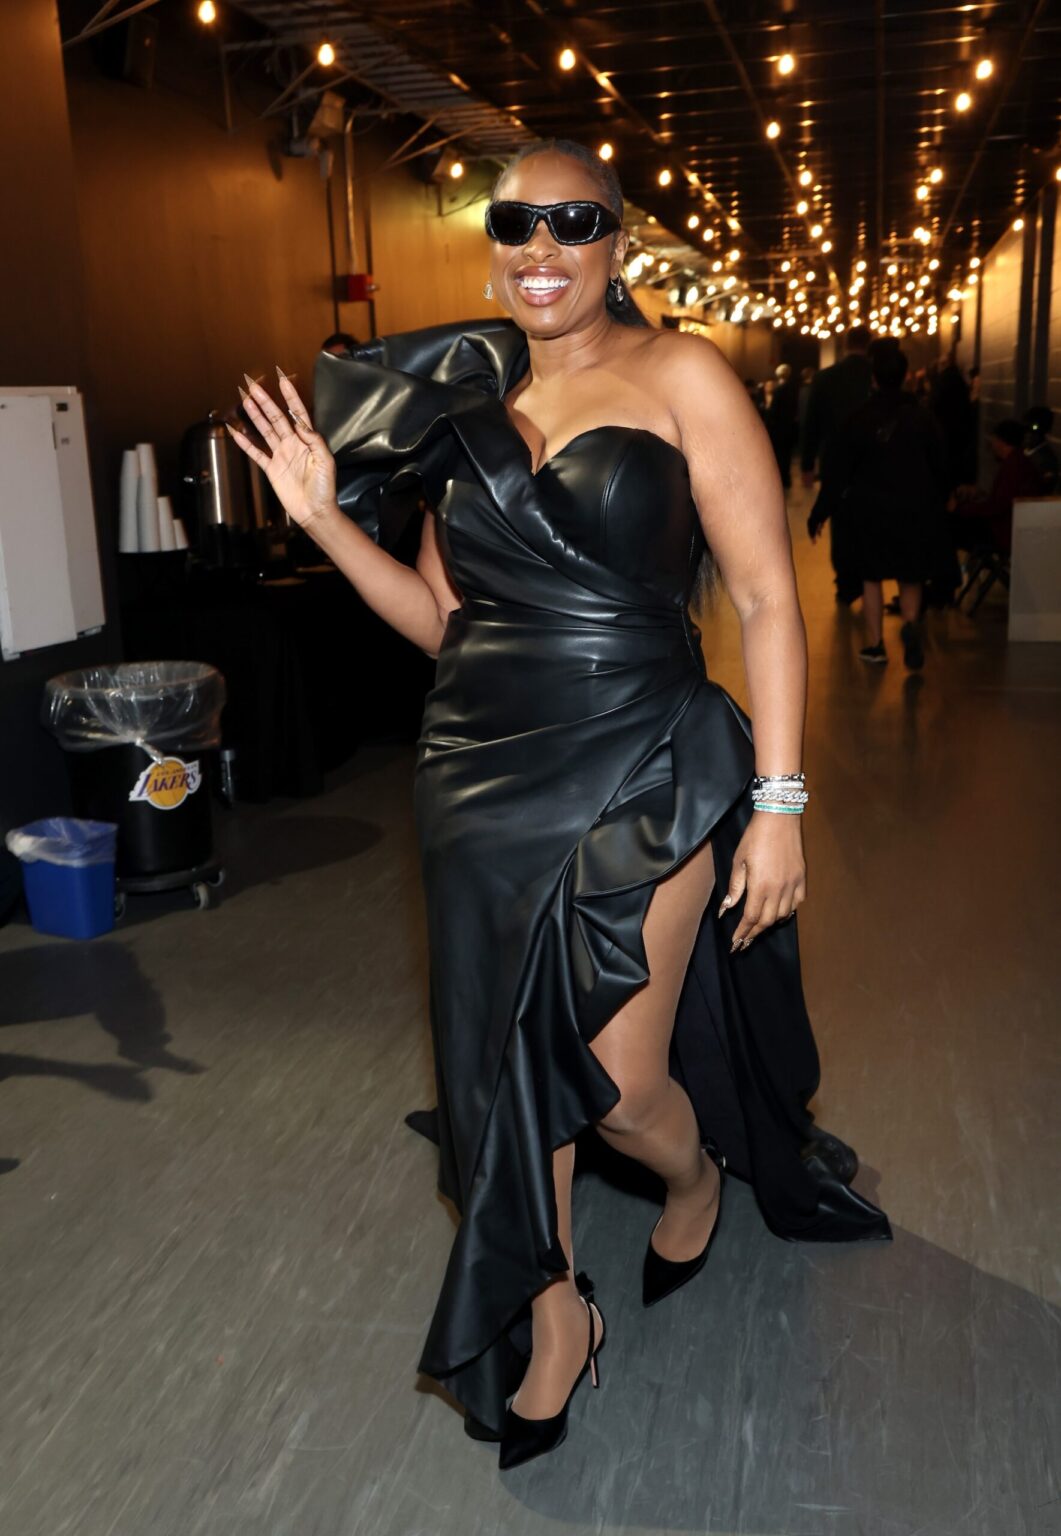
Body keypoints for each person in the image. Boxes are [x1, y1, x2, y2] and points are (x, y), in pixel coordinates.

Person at [227, 138, 890, 1468]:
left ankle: (696, 1175)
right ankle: (552, 1322)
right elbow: (440, 621)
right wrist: (321, 519)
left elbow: (765, 597)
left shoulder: (682, 374)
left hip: (650, 757)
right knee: (498, 1071)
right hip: (479, 776)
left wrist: (779, 804)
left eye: (571, 223)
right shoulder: (462, 421)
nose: (539, 249)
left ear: (616, 243)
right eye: (514, 223)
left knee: (617, 1087)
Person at [828, 345, 948, 668]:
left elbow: (842, 467)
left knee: (871, 577)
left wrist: (824, 508)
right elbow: (939, 463)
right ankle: (910, 625)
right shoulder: (923, 417)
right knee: (911, 575)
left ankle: (876, 644)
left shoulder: (860, 418)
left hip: (871, 509)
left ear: (874, 379)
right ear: (906, 376)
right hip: (915, 507)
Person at [801, 325, 873, 603]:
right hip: (871, 461)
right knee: (867, 520)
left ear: (844, 344)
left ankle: (846, 582)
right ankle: (867, 577)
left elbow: (811, 424)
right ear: (869, 344)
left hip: (834, 459)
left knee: (840, 522)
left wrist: (807, 464)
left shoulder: (825, 378)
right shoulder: (873, 376)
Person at [949, 418, 1044, 557]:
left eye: (993, 440)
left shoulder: (1013, 467)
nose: (991, 445)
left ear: (1001, 442)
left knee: (949, 526)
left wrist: (960, 509)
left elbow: (997, 506)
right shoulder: (1018, 463)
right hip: (1010, 527)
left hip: (1004, 532)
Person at [765, 361, 799, 487]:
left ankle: (780, 479)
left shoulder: (779, 390)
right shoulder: (794, 390)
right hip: (789, 427)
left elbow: (774, 411)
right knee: (787, 455)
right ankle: (786, 478)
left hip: (778, 428)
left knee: (779, 455)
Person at [1023, 405, 1058, 494]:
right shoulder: (1023, 451)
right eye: (1025, 428)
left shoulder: (1046, 459)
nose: (1028, 433)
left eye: (1032, 429)